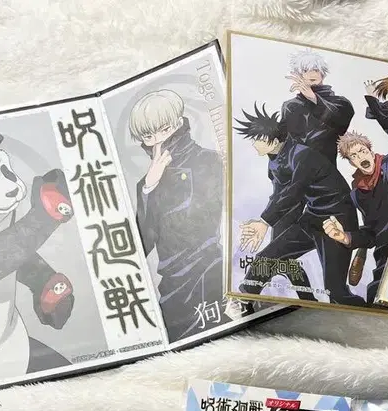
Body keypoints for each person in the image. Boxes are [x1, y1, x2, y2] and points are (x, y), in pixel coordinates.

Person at [128, 90, 230, 342]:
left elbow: (202, 221)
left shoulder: (210, 160)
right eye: (148, 136)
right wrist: (150, 187)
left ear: (178, 123)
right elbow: (141, 245)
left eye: (164, 130)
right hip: (172, 286)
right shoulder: (146, 183)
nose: (157, 142)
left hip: (209, 272)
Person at [234, 104, 362, 304]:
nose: (253, 144)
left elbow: (294, 192)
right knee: (266, 258)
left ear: (272, 139)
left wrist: (265, 221)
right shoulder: (274, 160)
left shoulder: (303, 155)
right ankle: (244, 299)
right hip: (312, 218)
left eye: (256, 139)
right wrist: (264, 225)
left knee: (336, 294)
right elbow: (279, 195)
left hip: (338, 221)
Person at [323, 131, 388, 303]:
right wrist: (345, 237)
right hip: (387, 255)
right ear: (351, 162)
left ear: (370, 151)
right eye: (354, 156)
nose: (360, 157)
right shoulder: (358, 193)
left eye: (362, 151)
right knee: (374, 296)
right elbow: (372, 233)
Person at [280, 50, 354, 164]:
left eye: (315, 69)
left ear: (322, 73)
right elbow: (284, 140)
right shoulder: (290, 106)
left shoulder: (340, 103)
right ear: (298, 75)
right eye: (305, 70)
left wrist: (313, 98)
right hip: (296, 168)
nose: (311, 74)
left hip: (326, 168)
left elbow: (339, 125)